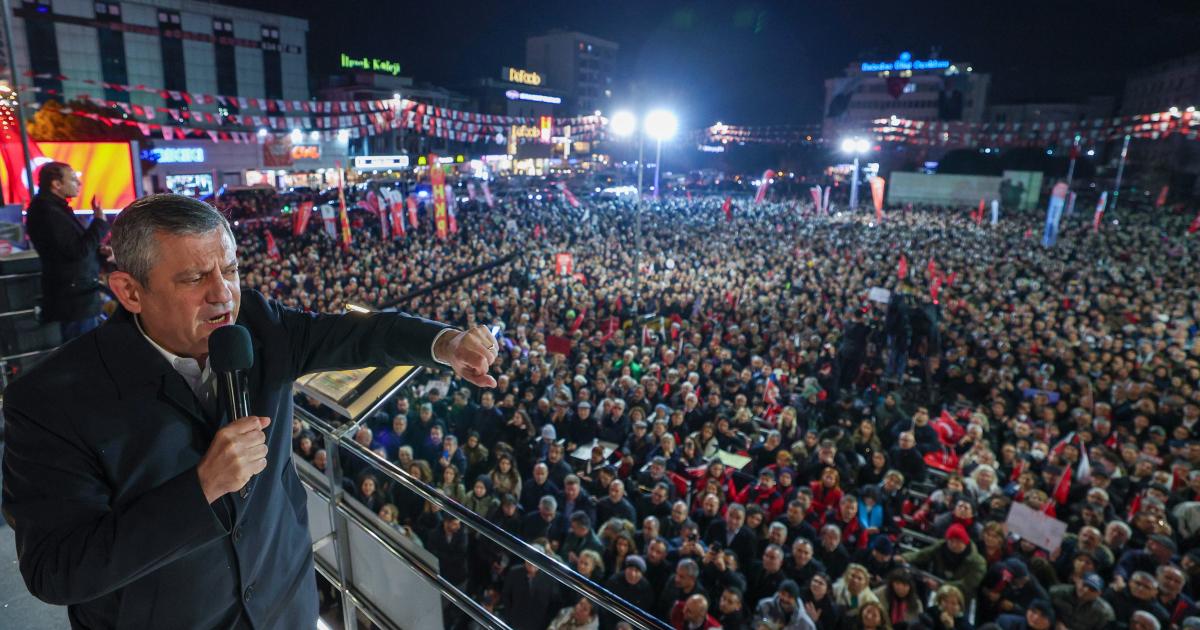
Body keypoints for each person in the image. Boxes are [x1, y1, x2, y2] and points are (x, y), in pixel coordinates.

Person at [1, 194, 500, 628]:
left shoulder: (260, 325)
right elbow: (56, 569)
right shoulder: (52, 401)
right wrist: (201, 489)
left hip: (286, 606)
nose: (223, 294)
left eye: (232, 270)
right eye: (195, 277)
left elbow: (359, 335)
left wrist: (445, 343)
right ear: (130, 291)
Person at [24, 161, 109, 340]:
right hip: (75, 300)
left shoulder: (55, 209)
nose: (79, 183)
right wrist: (100, 222)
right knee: (83, 356)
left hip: (78, 296)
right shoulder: (47, 211)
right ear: (57, 184)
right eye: (73, 179)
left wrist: (99, 251)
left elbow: (75, 247)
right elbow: (76, 250)